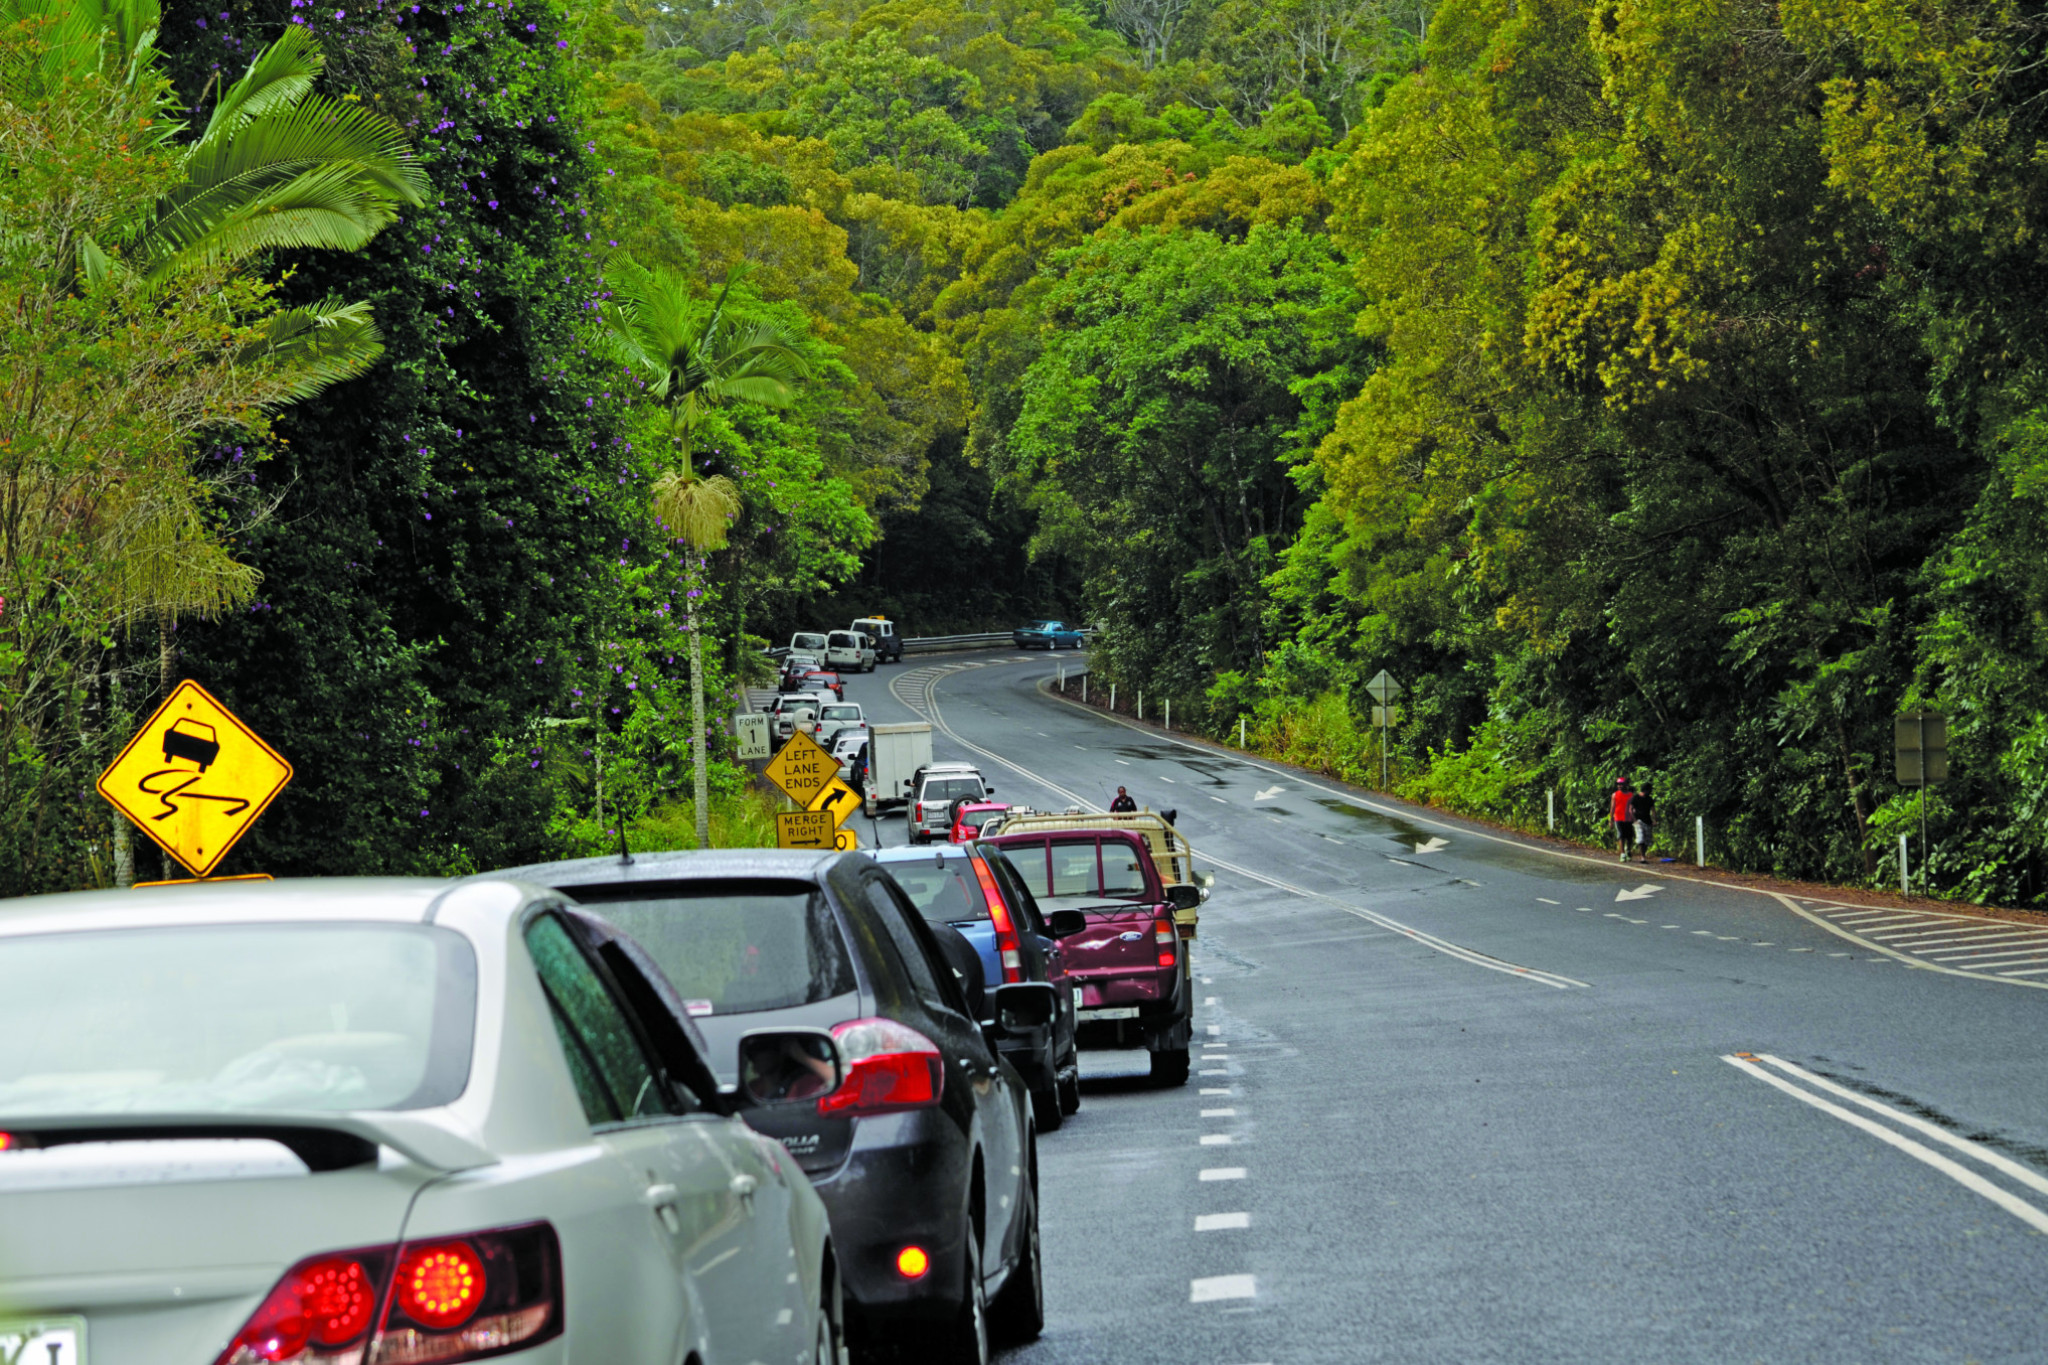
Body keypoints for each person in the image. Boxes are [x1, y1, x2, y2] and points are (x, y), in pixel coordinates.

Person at [1631, 780, 1656, 863]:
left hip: (1647, 820)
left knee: (1647, 840)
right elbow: (1630, 809)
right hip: (1638, 820)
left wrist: (1654, 820)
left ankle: (1644, 855)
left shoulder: (1649, 799)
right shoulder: (1636, 798)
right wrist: (1634, 820)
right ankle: (1642, 857)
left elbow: (1653, 810)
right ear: (1645, 790)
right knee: (1641, 838)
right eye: (1649, 790)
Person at [1611, 778, 1634, 862]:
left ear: (1626, 785)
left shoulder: (1631, 795)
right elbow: (1612, 807)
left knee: (1629, 836)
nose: (1619, 786)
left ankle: (1628, 850)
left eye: (1621, 784)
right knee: (1621, 835)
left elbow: (1633, 806)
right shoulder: (1615, 795)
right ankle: (1622, 853)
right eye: (1618, 784)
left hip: (1628, 818)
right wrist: (1611, 820)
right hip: (1618, 817)